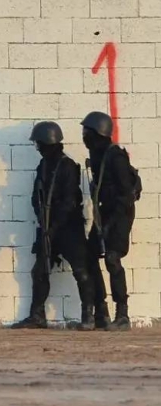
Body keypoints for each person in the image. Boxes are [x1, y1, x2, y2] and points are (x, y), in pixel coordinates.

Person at [10, 121, 95, 331]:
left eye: (39, 143)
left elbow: (69, 201)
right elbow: (36, 196)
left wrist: (54, 226)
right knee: (39, 270)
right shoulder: (44, 165)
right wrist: (43, 220)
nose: (38, 147)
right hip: (48, 226)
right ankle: (37, 316)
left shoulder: (67, 166)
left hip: (69, 227)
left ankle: (88, 316)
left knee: (81, 271)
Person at [81, 111, 140, 331]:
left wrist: (112, 224)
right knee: (89, 256)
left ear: (98, 133)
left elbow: (126, 195)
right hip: (103, 213)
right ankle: (101, 311)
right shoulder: (97, 155)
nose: (84, 136)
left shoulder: (115, 157)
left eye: (87, 132)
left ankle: (122, 315)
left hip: (120, 214)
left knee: (112, 259)